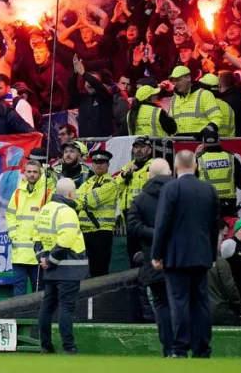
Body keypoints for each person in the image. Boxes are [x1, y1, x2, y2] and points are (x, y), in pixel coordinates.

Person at [151, 150, 221, 359]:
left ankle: (180, 348)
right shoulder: (209, 189)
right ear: (196, 166)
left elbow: (162, 223)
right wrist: (212, 256)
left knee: (179, 302)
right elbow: (214, 225)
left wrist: (157, 254)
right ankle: (202, 348)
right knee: (201, 302)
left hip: (176, 256)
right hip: (201, 255)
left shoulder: (171, 188)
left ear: (175, 166)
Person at [33, 177, 89, 354]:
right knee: (66, 307)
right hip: (68, 267)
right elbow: (65, 241)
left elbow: (36, 238)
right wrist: (51, 261)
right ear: (71, 194)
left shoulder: (45, 210)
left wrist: (43, 259)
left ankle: (45, 345)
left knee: (47, 307)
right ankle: (68, 347)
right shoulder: (68, 212)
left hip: (50, 268)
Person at [126, 158, 174, 356]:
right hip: (181, 258)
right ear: (169, 173)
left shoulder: (140, 199)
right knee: (182, 300)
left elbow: (132, 226)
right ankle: (183, 345)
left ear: (150, 175)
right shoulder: (180, 195)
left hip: (154, 259)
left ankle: (169, 348)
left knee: (161, 303)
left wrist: (154, 234)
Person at [6, 158, 50, 297]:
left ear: (40, 174)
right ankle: (19, 316)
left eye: (35, 172)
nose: (32, 175)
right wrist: (13, 234)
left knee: (40, 288)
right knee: (19, 286)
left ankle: (39, 317)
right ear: (24, 173)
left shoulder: (47, 193)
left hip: (38, 251)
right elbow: (10, 215)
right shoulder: (18, 193)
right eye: (29, 172)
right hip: (20, 251)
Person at [75, 150, 119, 278]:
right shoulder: (88, 182)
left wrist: (80, 198)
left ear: (108, 165)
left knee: (99, 271)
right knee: (84, 271)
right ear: (92, 164)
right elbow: (76, 201)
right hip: (84, 231)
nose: (99, 165)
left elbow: (91, 201)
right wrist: (80, 199)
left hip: (101, 231)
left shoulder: (110, 183)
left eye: (102, 162)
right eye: (95, 162)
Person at [196, 124, 241, 216]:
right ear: (219, 142)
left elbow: (188, 182)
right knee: (227, 230)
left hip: (206, 203)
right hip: (228, 205)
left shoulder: (198, 160)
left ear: (203, 144)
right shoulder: (231, 158)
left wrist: (195, 155)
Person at [167, 66, 223, 136]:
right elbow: (171, 124)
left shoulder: (204, 95)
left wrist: (207, 131)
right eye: (174, 81)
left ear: (188, 78)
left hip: (199, 143)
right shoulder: (174, 99)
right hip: (179, 143)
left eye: (178, 80)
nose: (175, 83)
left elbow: (217, 118)